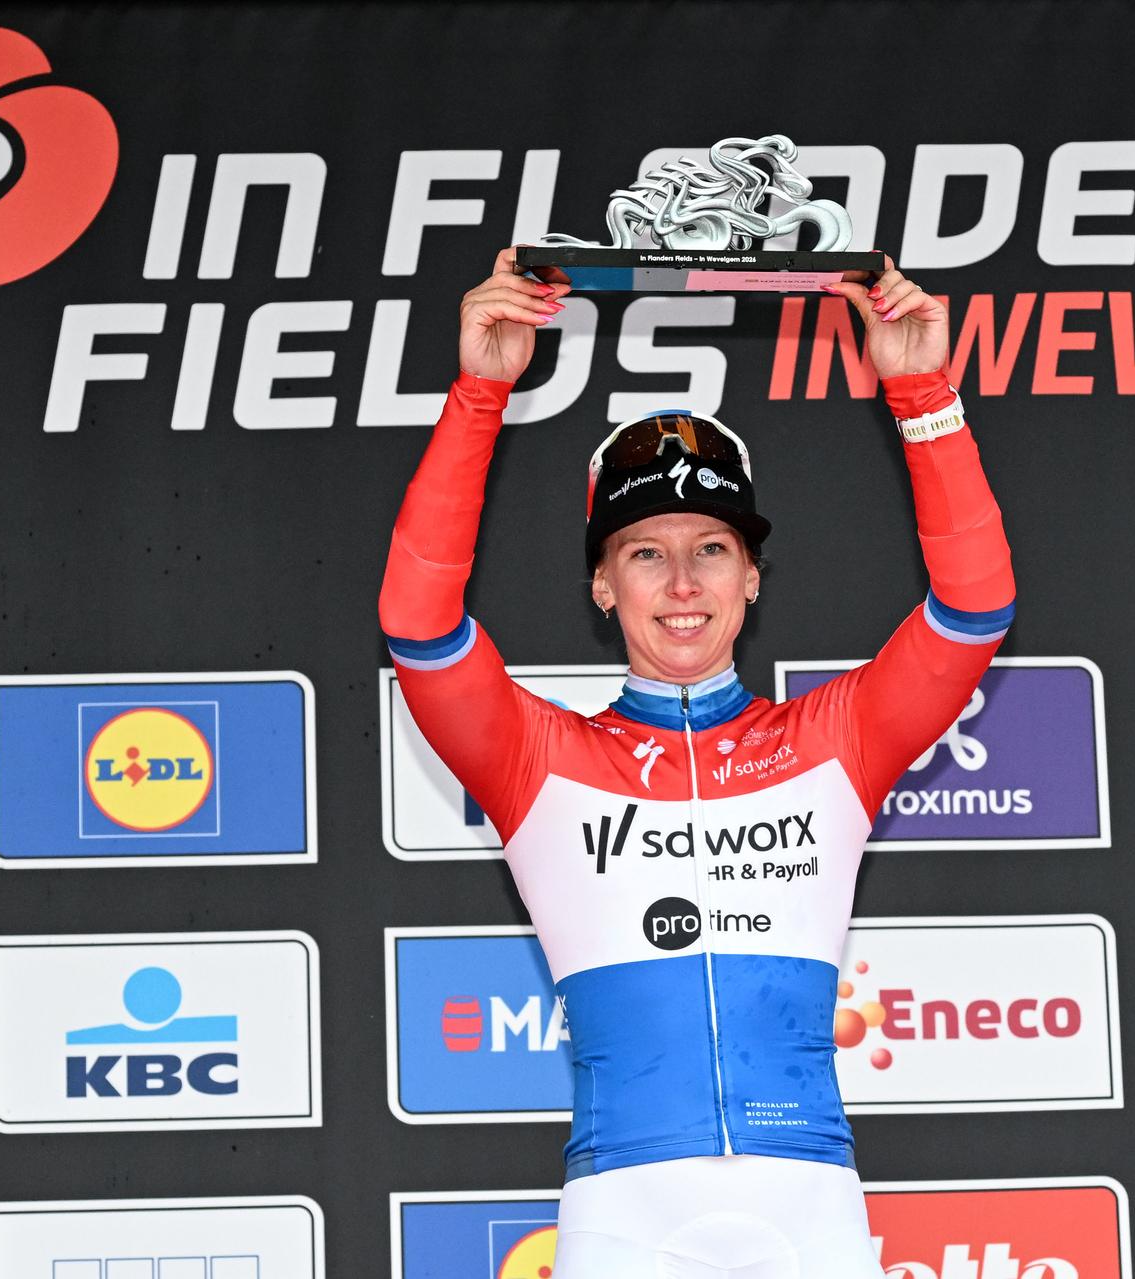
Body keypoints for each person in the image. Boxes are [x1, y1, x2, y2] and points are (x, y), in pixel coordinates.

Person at [379, 246, 1015, 1279]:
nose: (682, 580)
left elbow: (975, 605)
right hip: (626, 1213)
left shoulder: (833, 741)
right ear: (601, 586)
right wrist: (481, 388)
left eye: (712, 546)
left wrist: (922, 389)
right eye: (643, 550)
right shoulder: (536, 759)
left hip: (808, 1206)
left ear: (754, 574)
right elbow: (418, 619)